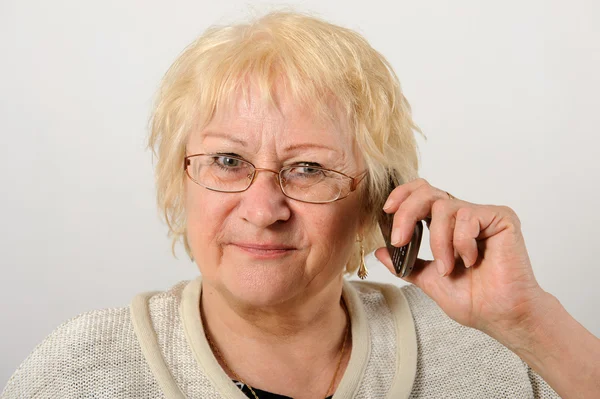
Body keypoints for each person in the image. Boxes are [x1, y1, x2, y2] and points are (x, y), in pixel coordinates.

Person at [2, 10, 599, 399]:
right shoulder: (81, 371)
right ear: (179, 182)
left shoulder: (482, 356)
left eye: (307, 169)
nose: (263, 209)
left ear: (377, 201)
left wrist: (528, 322)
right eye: (229, 162)